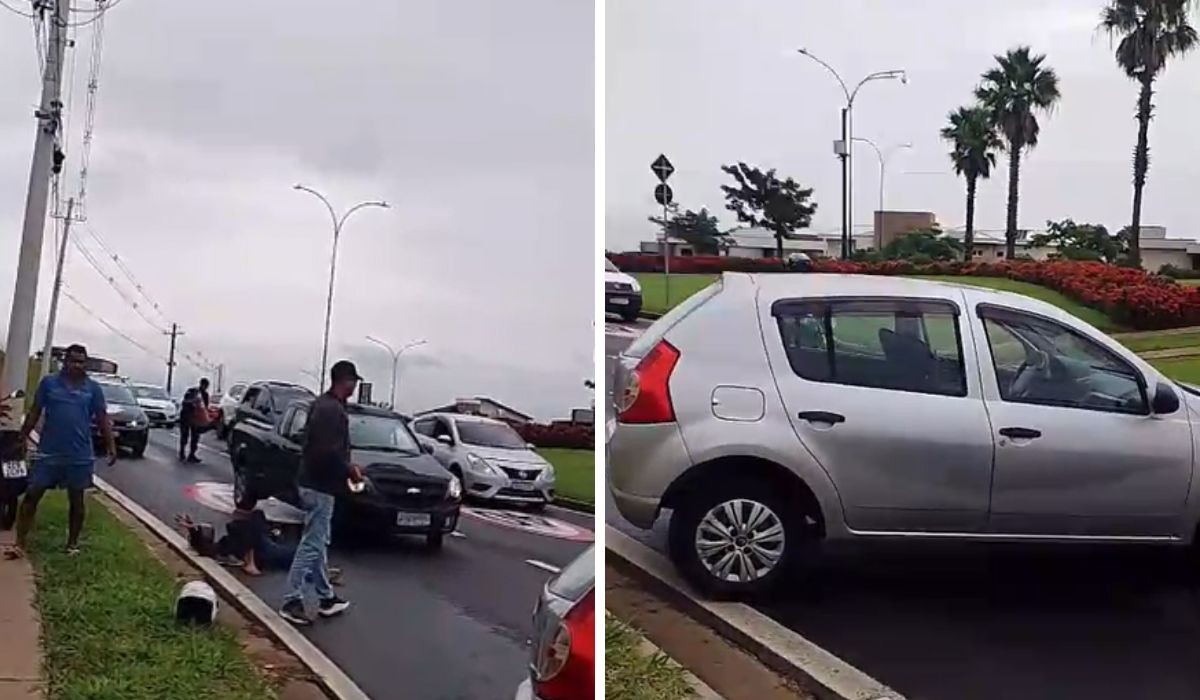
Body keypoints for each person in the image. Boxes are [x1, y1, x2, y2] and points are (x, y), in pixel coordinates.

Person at [4, 344, 116, 559]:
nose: (76, 365)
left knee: (77, 500)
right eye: (72, 360)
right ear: (65, 361)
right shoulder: (49, 383)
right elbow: (35, 411)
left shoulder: (92, 389)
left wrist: (111, 446)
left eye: (81, 362)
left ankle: (72, 545)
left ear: (86, 364)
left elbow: (102, 418)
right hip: (48, 452)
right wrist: (22, 436)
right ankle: (19, 543)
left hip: (79, 454)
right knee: (32, 495)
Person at [278, 360, 362, 626]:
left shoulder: (321, 405)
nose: (355, 387)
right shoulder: (332, 411)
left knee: (318, 540)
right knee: (313, 542)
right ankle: (292, 599)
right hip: (320, 485)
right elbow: (328, 451)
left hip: (312, 482)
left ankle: (325, 597)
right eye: (354, 382)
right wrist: (350, 470)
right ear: (345, 381)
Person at [179, 378, 212, 463]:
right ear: (201, 384)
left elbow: (205, 407)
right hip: (187, 416)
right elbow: (185, 401)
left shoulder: (205, 395)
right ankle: (182, 453)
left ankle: (191, 455)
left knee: (195, 437)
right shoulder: (193, 391)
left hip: (196, 418)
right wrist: (193, 403)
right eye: (204, 385)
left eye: (206, 386)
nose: (205, 387)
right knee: (185, 435)